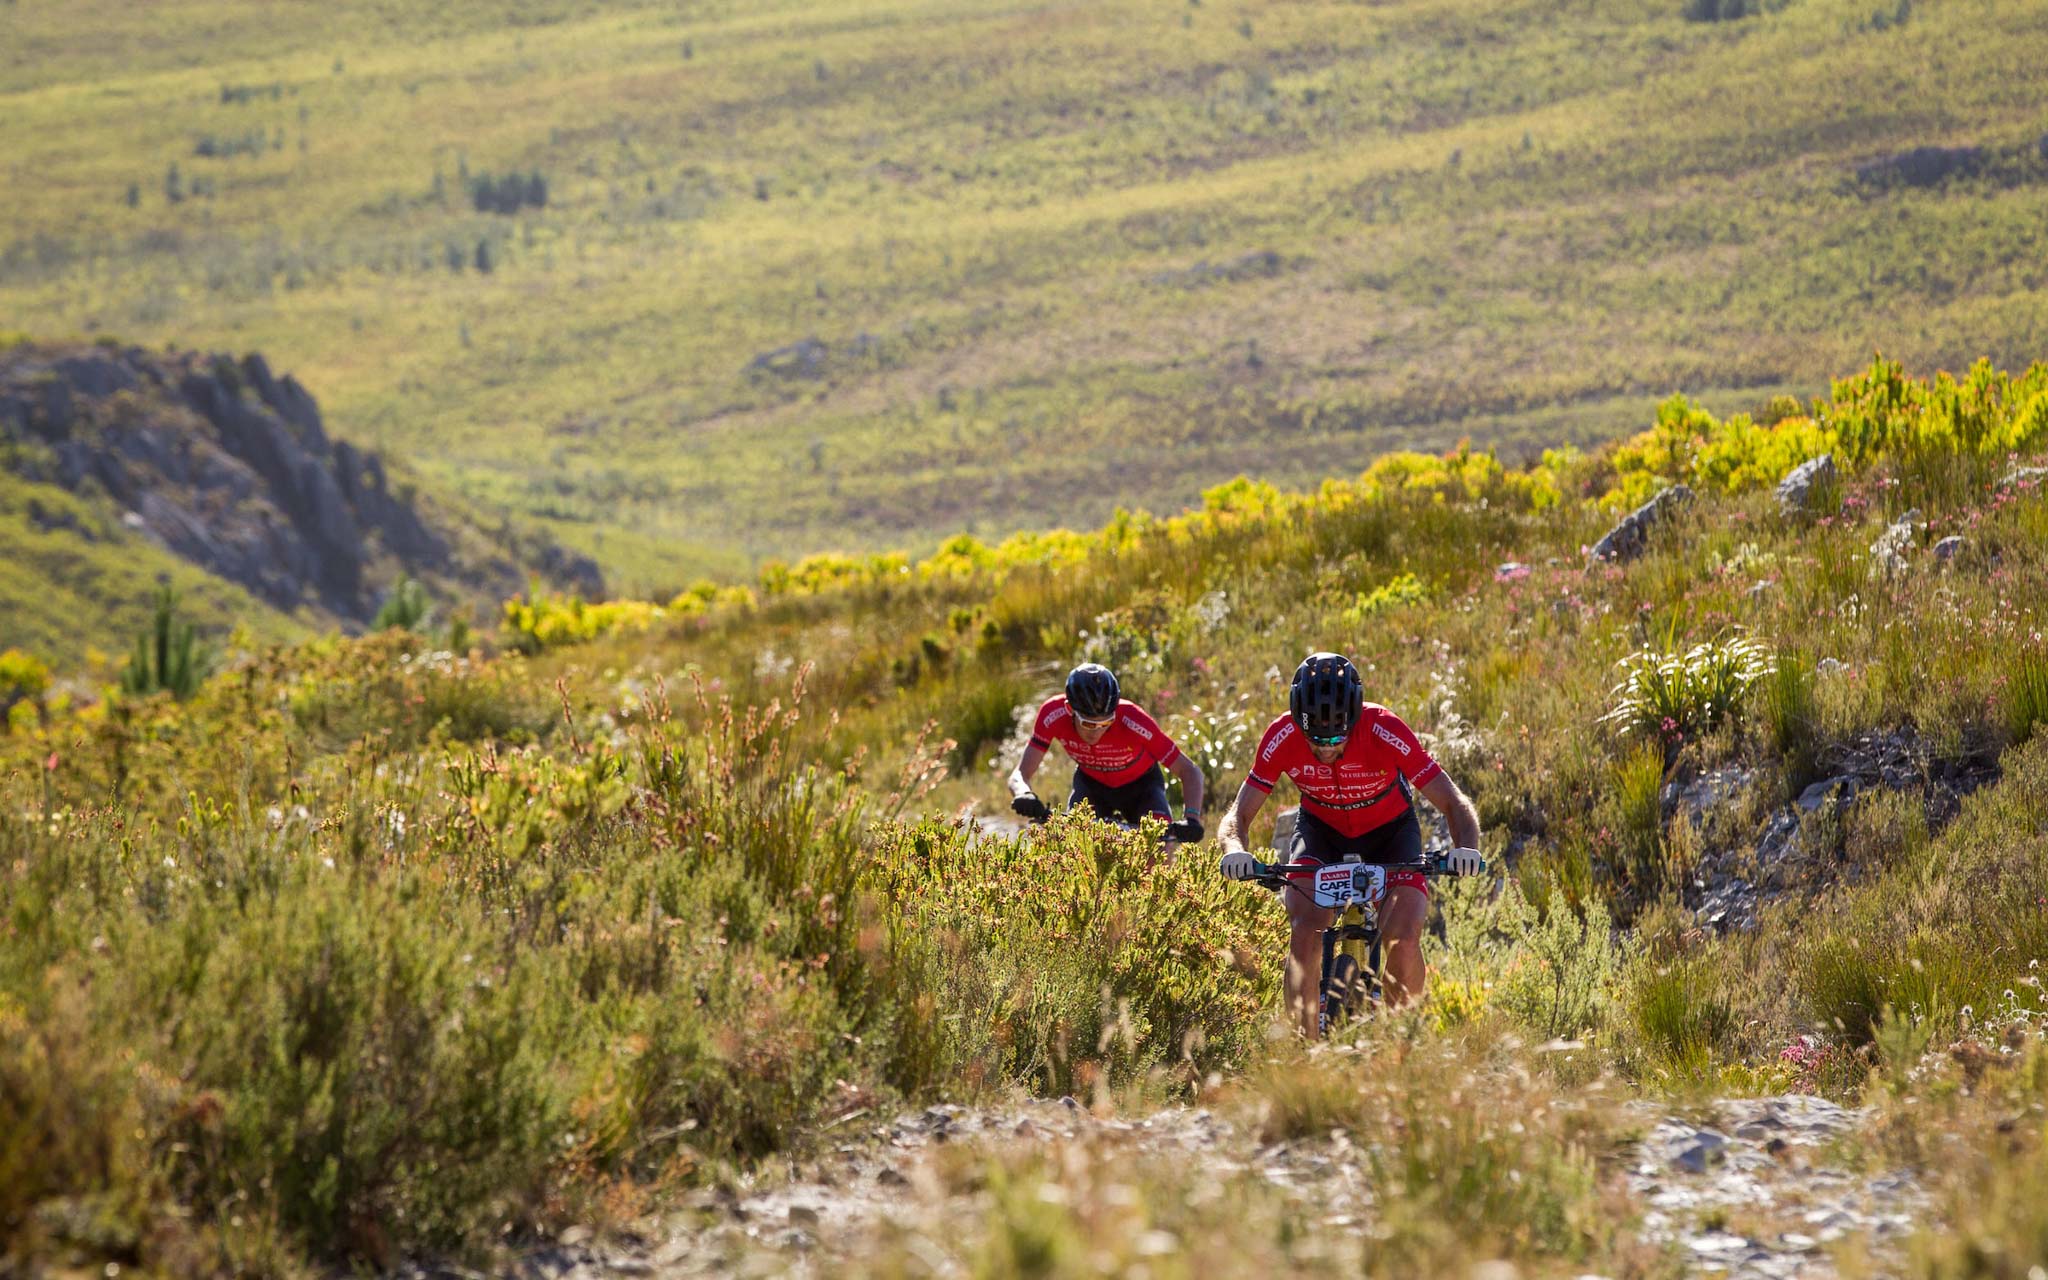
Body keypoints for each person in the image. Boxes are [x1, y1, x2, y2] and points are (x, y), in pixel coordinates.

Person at [1216, 652, 1484, 1034]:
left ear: (1355, 717)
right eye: (1315, 740)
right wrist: (1235, 850)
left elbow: (1452, 802)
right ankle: (1306, 1055)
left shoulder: (1383, 728)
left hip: (1391, 834)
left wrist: (1467, 847)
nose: (1325, 749)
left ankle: (1400, 1043)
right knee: (1305, 931)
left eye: (1336, 739)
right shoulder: (1281, 735)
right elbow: (1238, 815)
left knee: (1404, 937)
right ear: (1297, 721)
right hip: (1321, 833)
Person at [1007, 663, 1206, 844]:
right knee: (1074, 845)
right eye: (1088, 723)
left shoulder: (1133, 719)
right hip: (1092, 786)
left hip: (1142, 787)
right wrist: (1023, 793)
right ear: (1070, 709)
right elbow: (1020, 774)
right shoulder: (1052, 714)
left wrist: (1192, 818)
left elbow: (1189, 771)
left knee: (1160, 848)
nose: (1096, 731)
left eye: (1106, 722)